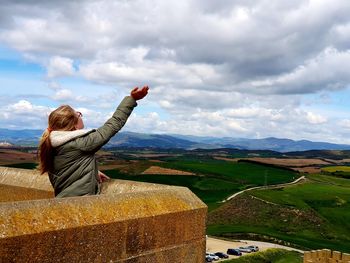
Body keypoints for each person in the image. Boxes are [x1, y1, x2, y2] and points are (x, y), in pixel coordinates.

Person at [38, 86, 149, 197]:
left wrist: (92, 173)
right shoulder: (80, 143)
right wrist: (131, 99)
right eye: (78, 114)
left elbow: (69, 167)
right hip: (79, 205)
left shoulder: (54, 143)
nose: (81, 116)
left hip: (65, 201)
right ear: (74, 125)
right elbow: (113, 124)